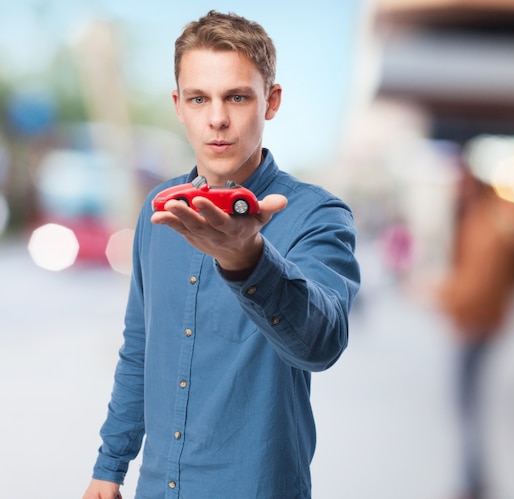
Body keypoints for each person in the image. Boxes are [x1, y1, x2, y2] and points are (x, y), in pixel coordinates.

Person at [82, 10, 360, 499]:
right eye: (198, 98)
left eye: (236, 96)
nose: (217, 118)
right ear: (178, 105)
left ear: (270, 101)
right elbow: (140, 347)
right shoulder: (159, 209)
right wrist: (109, 466)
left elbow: (323, 344)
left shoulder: (318, 215)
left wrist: (248, 259)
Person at [435, 168, 514, 499]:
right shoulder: (488, 221)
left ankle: (471, 480)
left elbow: (477, 286)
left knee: (466, 404)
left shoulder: (485, 227)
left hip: (474, 325)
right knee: (468, 403)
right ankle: (473, 476)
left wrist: (440, 295)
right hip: (479, 323)